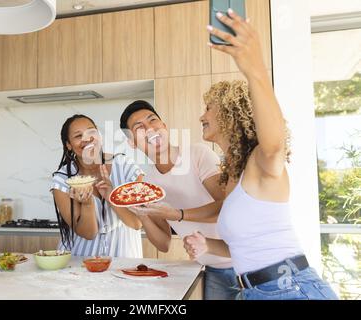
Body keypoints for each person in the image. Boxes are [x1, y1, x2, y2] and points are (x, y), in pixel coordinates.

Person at [183, 9, 338, 300]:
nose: (201, 115)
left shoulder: (261, 160)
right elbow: (245, 246)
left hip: (291, 290)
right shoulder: (234, 177)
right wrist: (207, 245)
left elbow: (275, 143)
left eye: (209, 107)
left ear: (230, 113)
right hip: (257, 292)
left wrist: (253, 67)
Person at [120, 101, 239, 300]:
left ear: (164, 126)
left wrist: (177, 215)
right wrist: (143, 215)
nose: (150, 129)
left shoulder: (197, 154)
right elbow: (164, 243)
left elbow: (227, 208)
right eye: (139, 128)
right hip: (206, 269)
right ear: (132, 142)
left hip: (238, 265)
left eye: (153, 120)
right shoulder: (149, 181)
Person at [50, 114, 144, 258]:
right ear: (68, 145)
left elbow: (137, 223)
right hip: (80, 260)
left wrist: (112, 196)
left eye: (91, 132)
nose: (87, 139)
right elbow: (88, 233)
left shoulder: (126, 167)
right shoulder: (63, 180)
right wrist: (87, 204)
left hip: (124, 258)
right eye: (78, 136)